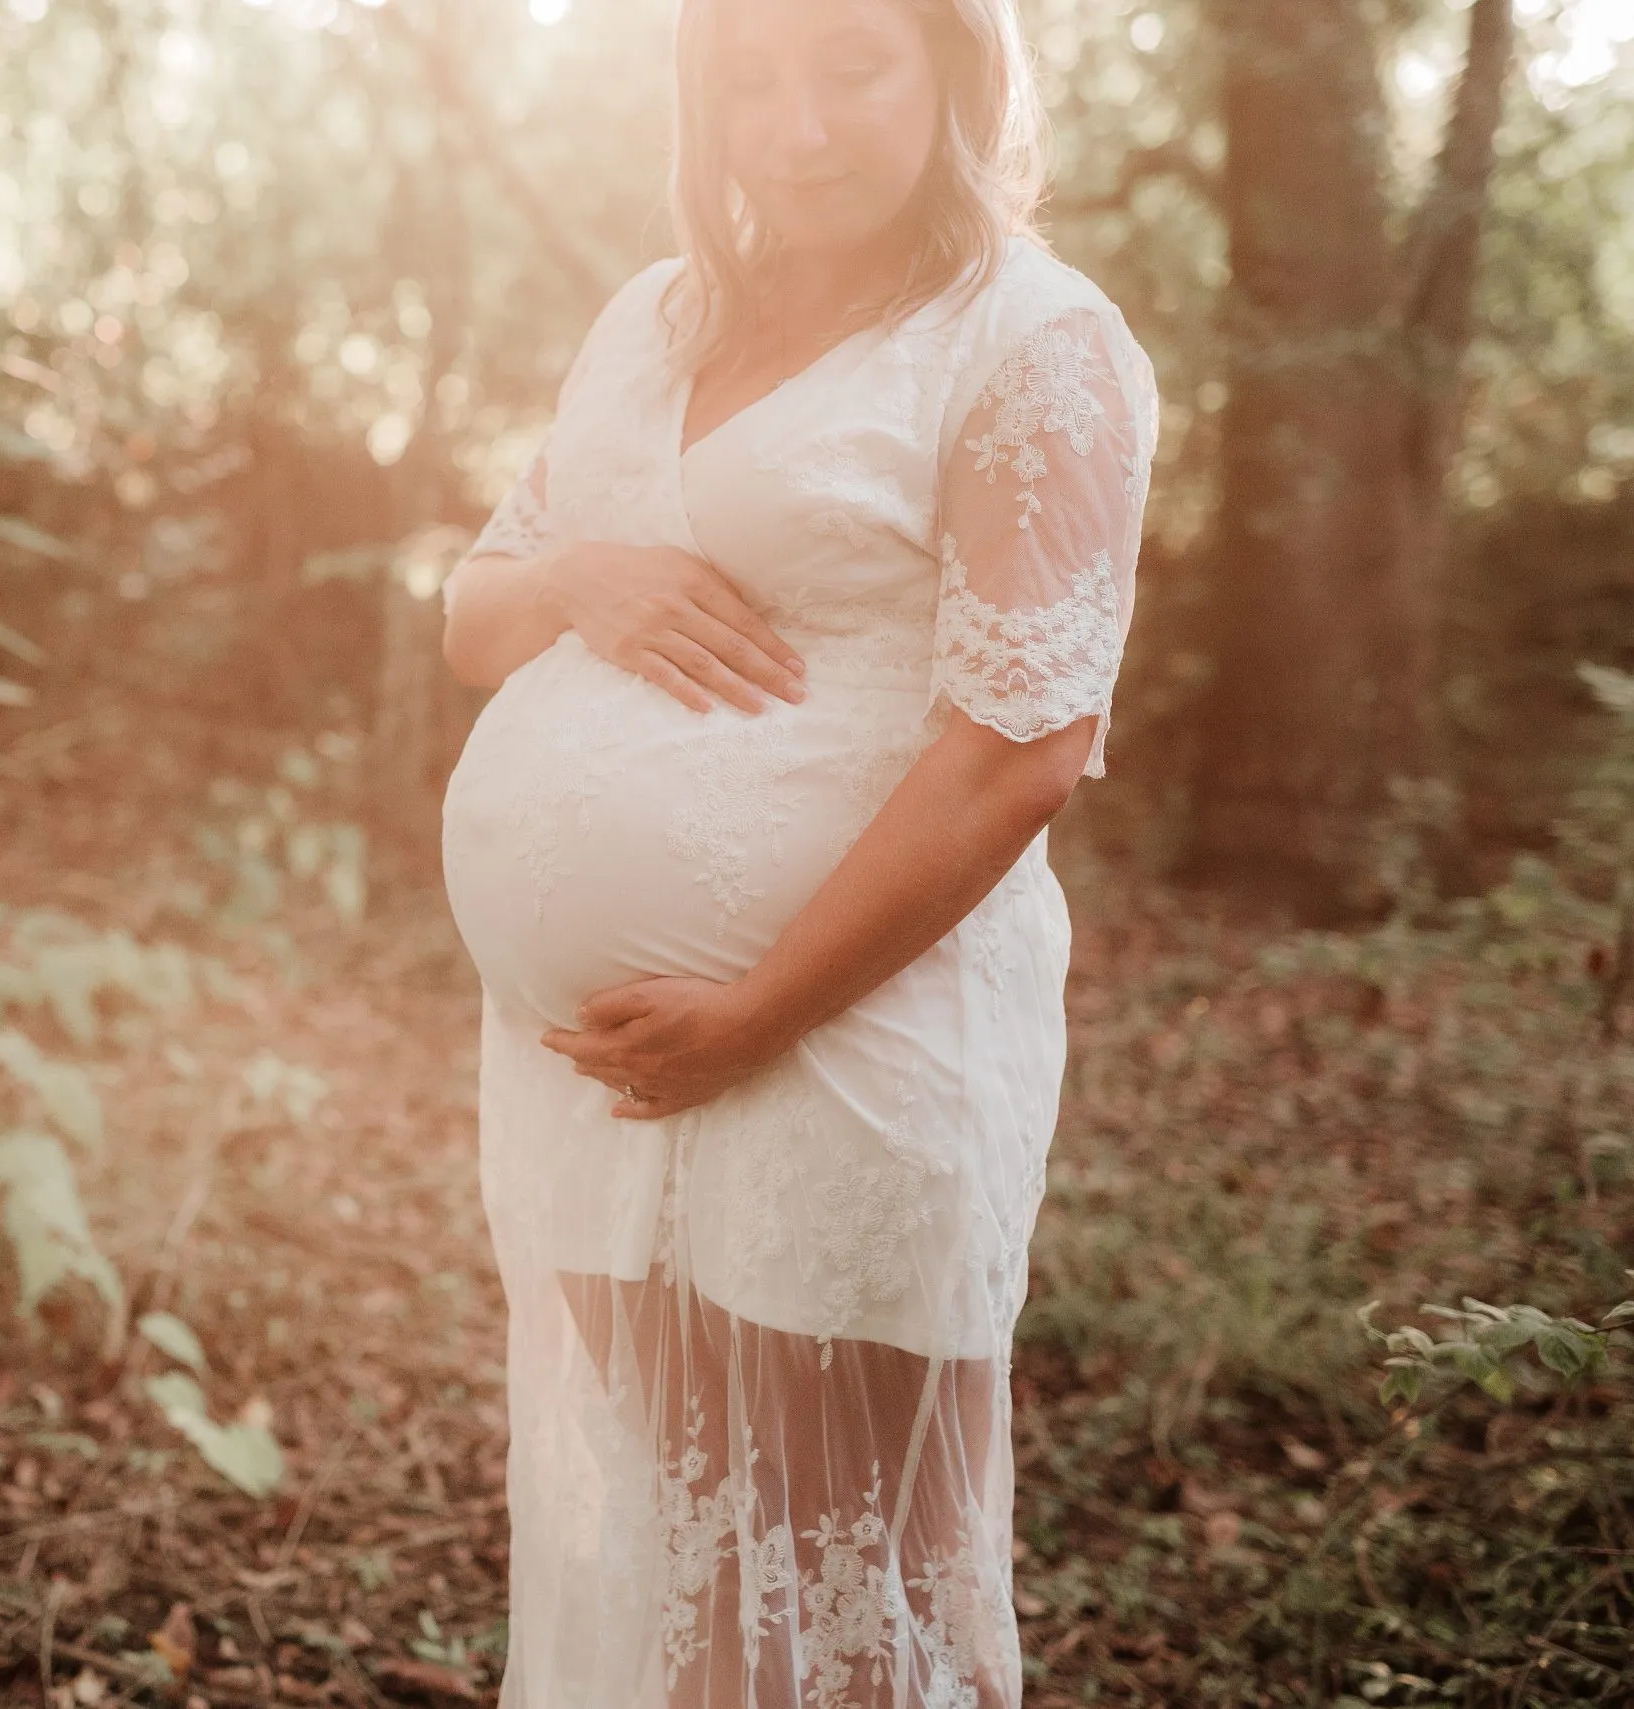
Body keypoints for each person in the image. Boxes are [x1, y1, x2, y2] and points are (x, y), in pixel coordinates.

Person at [435, 1, 1159, 1703]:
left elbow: (1023, 751)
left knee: (840, 1598)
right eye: (749, 74)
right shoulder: (652, 318)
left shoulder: (1032, 338)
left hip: (840, 1049)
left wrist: (759, 1007)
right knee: (693, 1576)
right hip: (602, 1086)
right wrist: (576, 581)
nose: (800, 121)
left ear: (952, 72)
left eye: (852, 64)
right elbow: (476, 610)